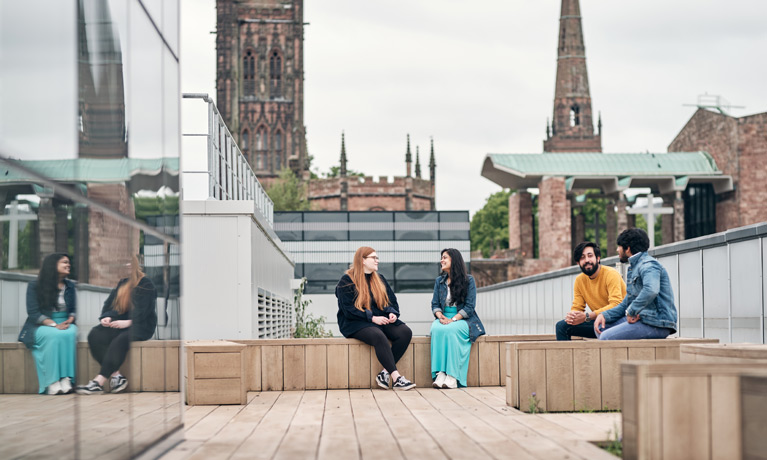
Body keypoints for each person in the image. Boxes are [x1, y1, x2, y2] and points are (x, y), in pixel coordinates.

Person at [336, 246, 415, 390]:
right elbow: (348, 310)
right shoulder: (346, 281)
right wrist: (372, 318)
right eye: (374, 258)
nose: (377, 261)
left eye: (377, 257)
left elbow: (391, 301)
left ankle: (384, 373)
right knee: (379, 336)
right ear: (363, 260)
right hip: (355, 322)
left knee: (405, 332)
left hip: (378, 319)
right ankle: (396, 378)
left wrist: (392, 313)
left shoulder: (379, 279)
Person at [77, 256, 157, 394]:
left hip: (141, 325)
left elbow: (145, 310)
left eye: (130, 261)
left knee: (120, 340)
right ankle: (116, 376)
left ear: (138, 264)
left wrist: (128, 322)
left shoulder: (146, 283)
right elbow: (109, 304)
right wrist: (107, 317)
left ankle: (98, 382)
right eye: (124, 262)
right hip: (120, 323)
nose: (127, 264)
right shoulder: (122, 283)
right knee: (95, 335)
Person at [594, 228, 678, 340]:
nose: (617, 249)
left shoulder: (648, 265)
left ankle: (625, 357)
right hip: (644, 320)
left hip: (657, 323)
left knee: (606, 337)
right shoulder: (635, 267)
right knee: (600, 327)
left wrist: (631, 311)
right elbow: (626, 304)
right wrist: (603, 315)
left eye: (619, 246)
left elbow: (651, 290)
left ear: (627, 248)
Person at [18, 253, 78, 395]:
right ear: (53, 265)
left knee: (70, 333)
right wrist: (53, 325)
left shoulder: (70, 286)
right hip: (41, 325)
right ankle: (51, 381)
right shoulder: (34, 286)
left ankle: (66, 378)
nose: (68, 265)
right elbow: (33, 314)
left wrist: (70, 319)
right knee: (54, 335)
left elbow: (73, 310)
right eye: (64, 262)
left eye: (69, 262)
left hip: (64, 321)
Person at [430, 248, 485, 389]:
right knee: (436, 328)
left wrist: (453, 319)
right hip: (444, 316)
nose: (441, 260)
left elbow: (469, 307)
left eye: (445, 258)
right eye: (441, 257)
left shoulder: (469, 280)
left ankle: (453, 376)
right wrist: (440, 316)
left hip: (464, 319)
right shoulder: (439, 281)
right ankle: (440, 372)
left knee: (451, 330)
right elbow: (435, 304)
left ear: (454, 260)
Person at [555, 242, 626, 340]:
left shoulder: (611, 274)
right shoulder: (580, 280)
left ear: (598, 258)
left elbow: (616, 304)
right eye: (582, 257)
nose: (587, 260)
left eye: (590, 256)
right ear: (578, 263)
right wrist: (573, 316)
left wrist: (587, 316)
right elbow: (577, 306)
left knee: (600, 327)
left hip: (618, 320)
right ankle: (565, 355)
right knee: (562, 326)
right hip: (598, 321)